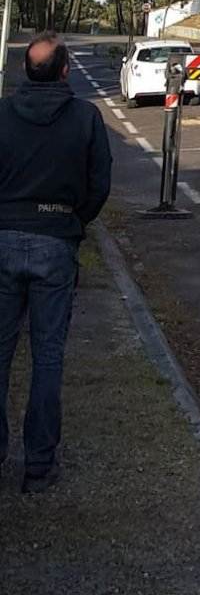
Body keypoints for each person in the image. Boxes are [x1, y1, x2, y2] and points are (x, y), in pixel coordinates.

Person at [0, 33, 112, 492]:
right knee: (47, 357)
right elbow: (99, 184)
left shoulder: (3, 114)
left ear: (27, 70)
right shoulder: (85, 117)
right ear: (65, 70)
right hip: (56, 240)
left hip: (3, 238)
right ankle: (39, 465)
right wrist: (72, 221)